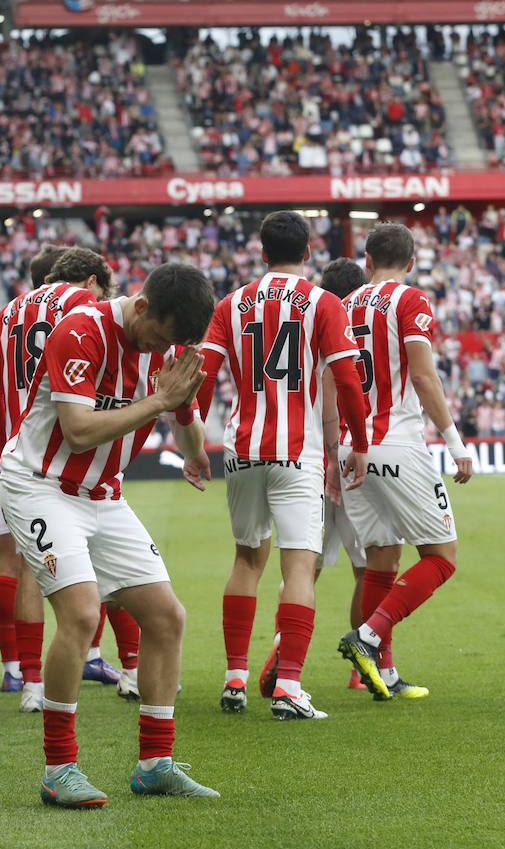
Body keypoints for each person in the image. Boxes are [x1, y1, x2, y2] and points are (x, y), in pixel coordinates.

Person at [0, 261, 220, 808]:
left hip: (103, 495)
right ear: (141, 306)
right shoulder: (81, 329)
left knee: (167, 616)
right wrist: (158, 402)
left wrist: (193, 456)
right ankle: (59, 768)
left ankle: (155, 764)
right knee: (79, 613)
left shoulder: (169, 347)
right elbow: (76, 432)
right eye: (159, 337)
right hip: (40, 486)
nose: (159, 350)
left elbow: (184, 407)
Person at [197, 210, 369, 721]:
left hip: (242, 446)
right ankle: (289, 686)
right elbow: (346, 380)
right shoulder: (324, 303)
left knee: (246, 559)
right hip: (298, 451)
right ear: (309, 251)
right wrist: (357, 441)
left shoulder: (231, 304)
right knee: (297, 566)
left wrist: (192, 447)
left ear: (262, 251)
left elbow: (203, 376)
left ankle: (234, 679)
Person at [0, 246, 133, 713]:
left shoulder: (8, 311)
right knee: (107, 557)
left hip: (12, 454)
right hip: (66, 454)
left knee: (23, 566)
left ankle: (30, 683)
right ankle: (131, 669)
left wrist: (8, 437)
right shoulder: (87, 308)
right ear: (92, 281)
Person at [337, 223, 473, 700]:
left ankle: (384, 674)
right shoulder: (410, 300)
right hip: (394, 441)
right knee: (441, 557)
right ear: (411, 263)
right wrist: (456, 444)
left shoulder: (345, 303)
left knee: (381, 558)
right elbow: (423, 375)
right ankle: (369, 637)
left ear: (367, 260)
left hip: (348, 447)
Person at [314, 257, 381, 691]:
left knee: (304, 568)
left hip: (314, 463)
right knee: (367, 569)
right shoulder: (368, 333)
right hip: (353, 458)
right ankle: (364, 664)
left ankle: (281, 656)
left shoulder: (313, 330)